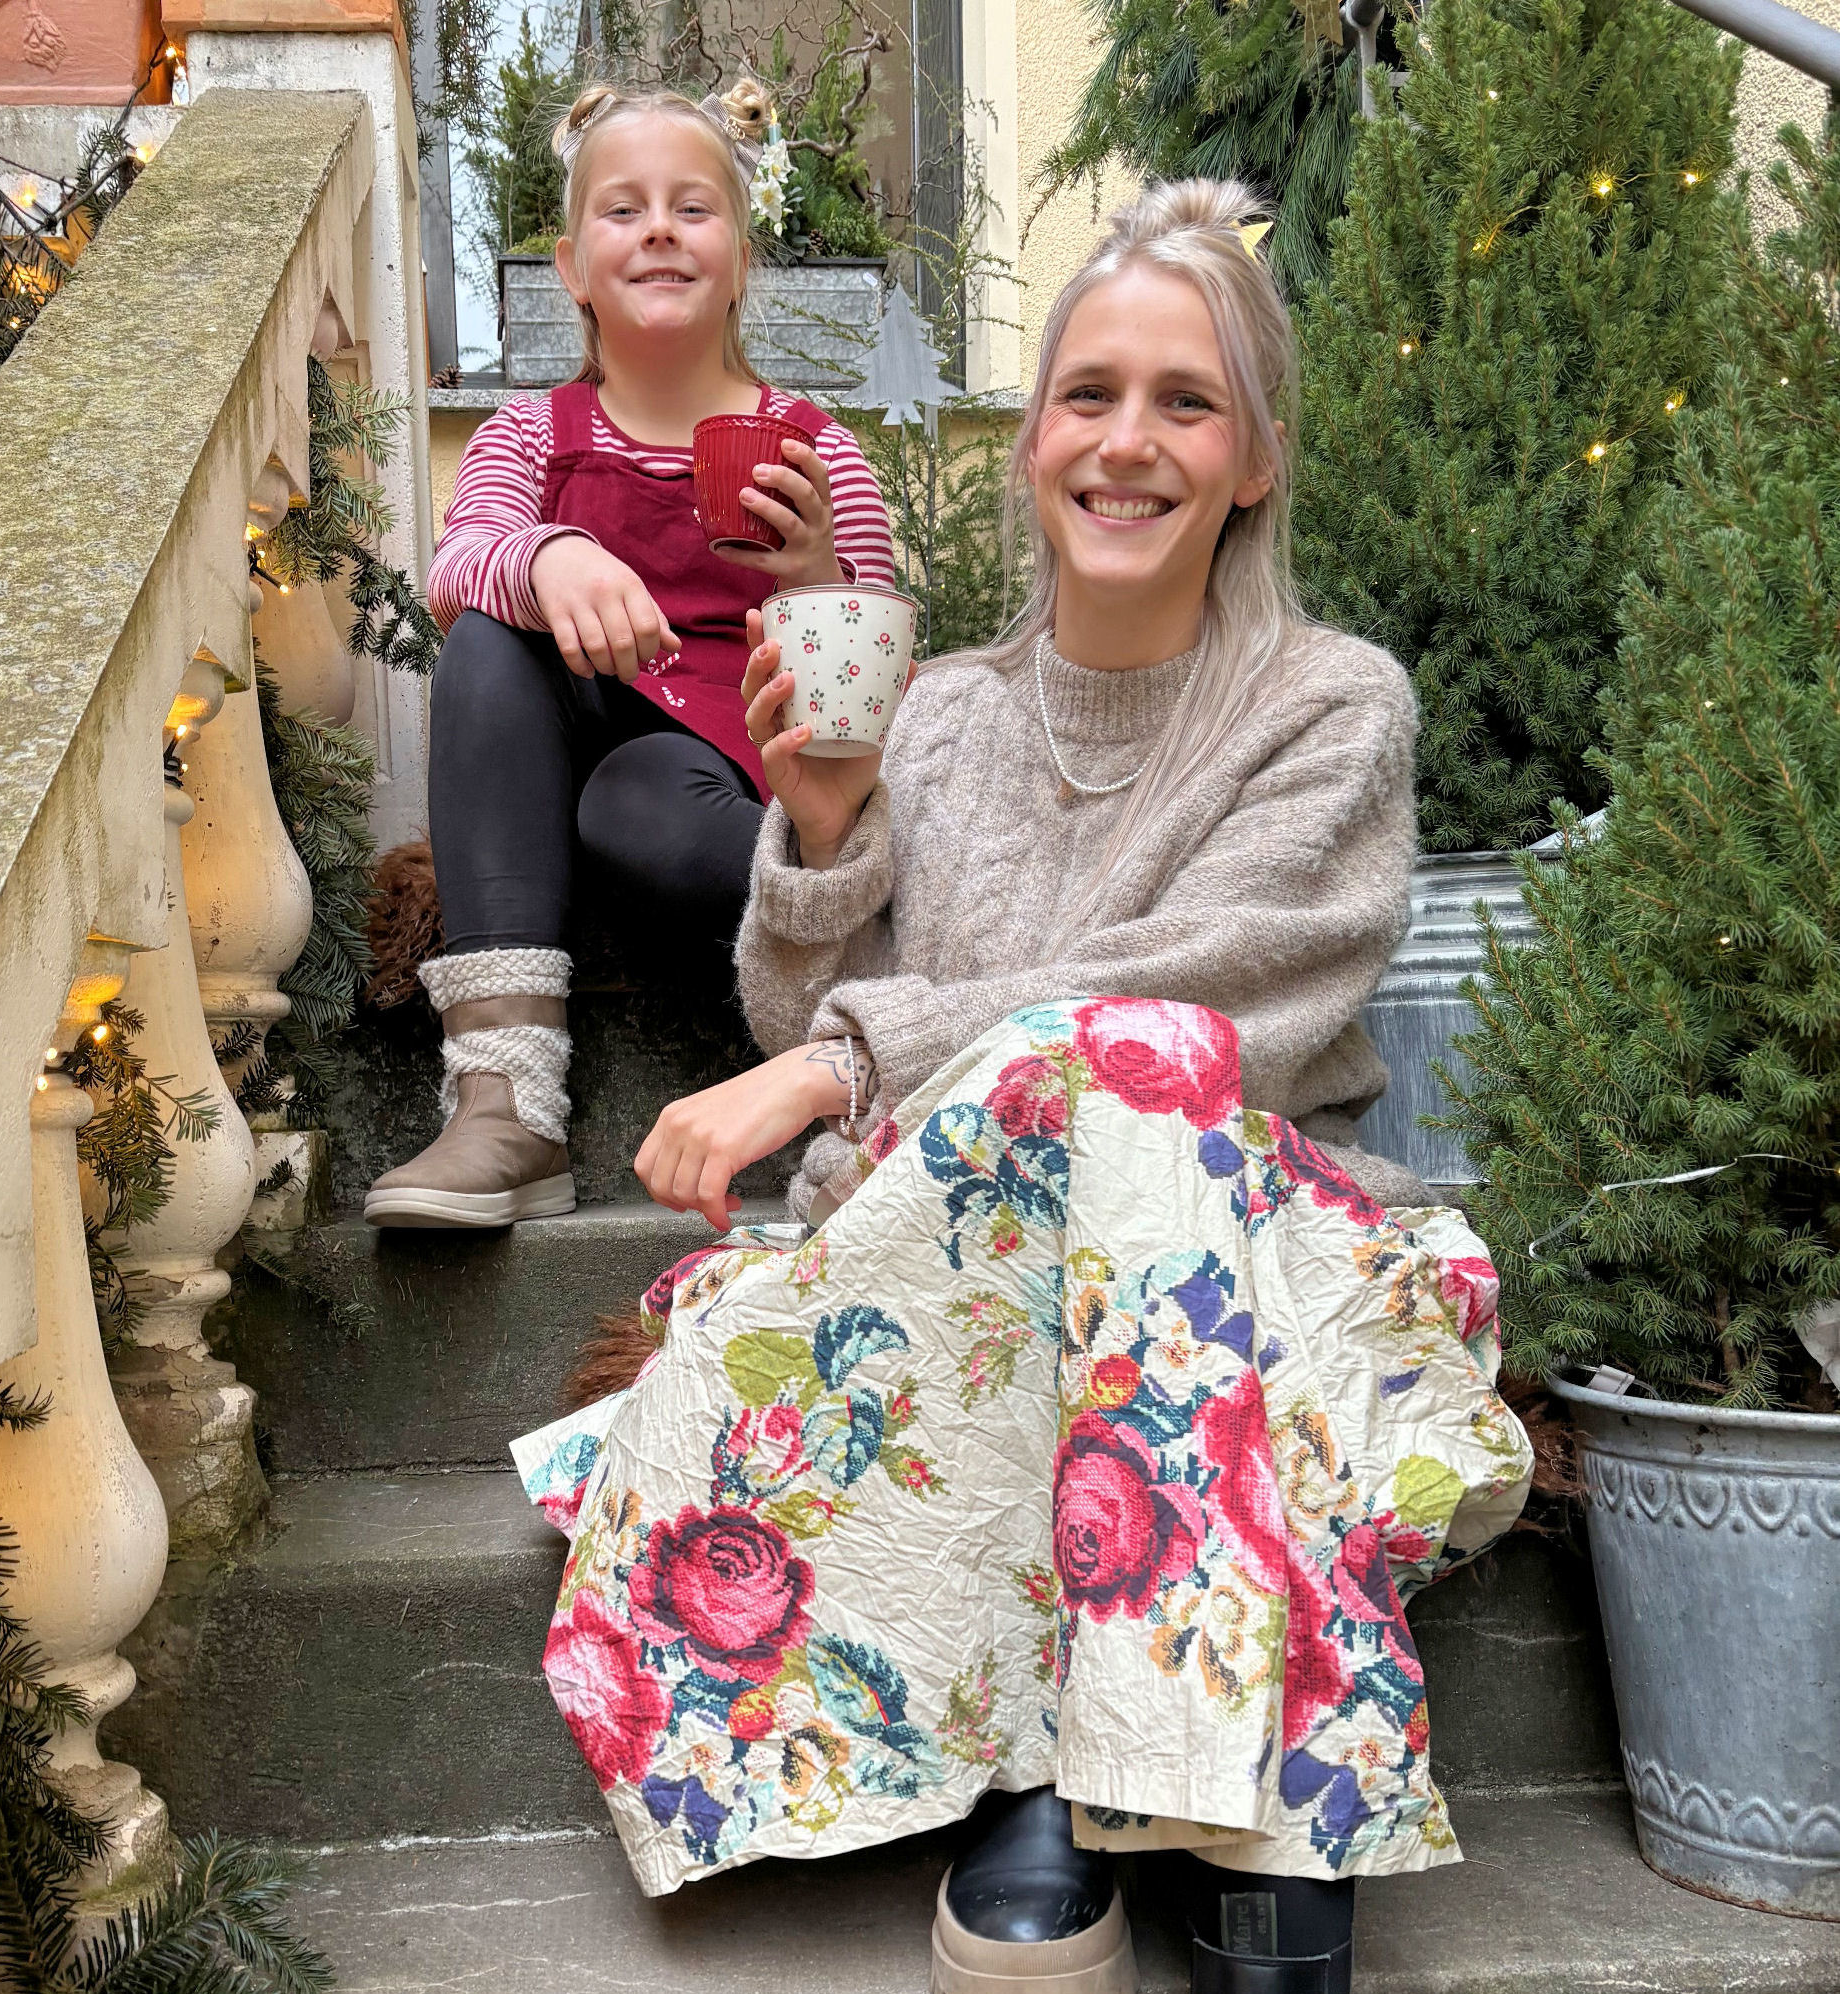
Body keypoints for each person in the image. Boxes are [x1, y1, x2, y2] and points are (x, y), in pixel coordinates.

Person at [510, 181, 1533, 1993]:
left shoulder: (1331, 705)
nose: (1125, 441)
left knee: (1137, 1077)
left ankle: (1092, 1780)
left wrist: (833, 1059)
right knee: (993, 1230)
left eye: (1183, 402)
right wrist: (823, 825)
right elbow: (809, 1004)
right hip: (961, 1279)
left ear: (1253, 462)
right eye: (1087, 394)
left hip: (1239, 1258)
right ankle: (1162, 1794)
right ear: (1032, 438)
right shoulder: (935, 709)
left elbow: (1214, 998)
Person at [364, 79, 895, 1230]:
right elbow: (459, 563)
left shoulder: (819, 448)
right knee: (485, 642)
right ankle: (506, 1101)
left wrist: (814, 575)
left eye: (693, 208)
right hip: (564, 755)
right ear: (571, 266)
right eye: (624, 209)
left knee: (640, 802)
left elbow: (878, 686)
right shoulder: (528, 435)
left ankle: (859, 980)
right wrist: (550, 555)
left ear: (741, 259)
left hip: (730, 781)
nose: (659, 228)